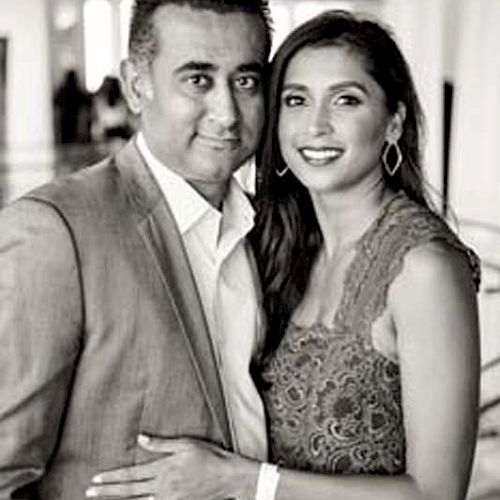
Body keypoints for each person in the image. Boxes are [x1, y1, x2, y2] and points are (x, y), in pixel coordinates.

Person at [86, 9, 481, 500]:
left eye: (346, 100)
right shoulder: (272, 242)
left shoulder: (422, 269)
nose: (315, 126)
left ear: (393, 122)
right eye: (296, 100)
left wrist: (249, 482)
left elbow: (439, 492)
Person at [0, 0, 272, 498]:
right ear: (135, 84)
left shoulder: (269, 228)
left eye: (246, 81)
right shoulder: (54, 231)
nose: (227, 113)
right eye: (198, 79)